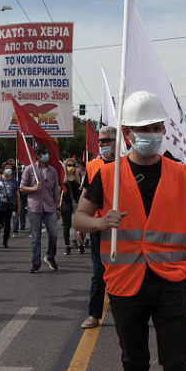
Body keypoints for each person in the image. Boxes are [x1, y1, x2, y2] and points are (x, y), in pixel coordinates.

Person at [74, 90, 186, 371]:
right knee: (135, 363)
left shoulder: (180, 173)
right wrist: (99, 222)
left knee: (177, 362)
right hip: (126, 283)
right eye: (145, 128)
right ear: (128, 134)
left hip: (170, 281)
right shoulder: (106, 175)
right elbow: (79, 218)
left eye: (157, 127)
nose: (153, 133)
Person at [79, 126, 117, 328]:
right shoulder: (93, 167)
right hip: (98, 227)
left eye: (106, 141)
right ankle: (94, 314)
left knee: (122, 272)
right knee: (99, 272)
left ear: (116, 142)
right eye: (99, 141)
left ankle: (127, 314)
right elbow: (85, 195)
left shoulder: (125, 166)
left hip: (122, 228)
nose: (101, 144)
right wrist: (81, 220)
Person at [20, 143, 61, 273]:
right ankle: (36, 262)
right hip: (34, 207)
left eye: (47, 153)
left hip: (49, 206)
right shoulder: (29, 169)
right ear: (38, 155)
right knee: (36, 237)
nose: (47, 155)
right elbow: (22, 188)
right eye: (44, 153)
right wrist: (33, 188)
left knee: (54, 234)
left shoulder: (52, 170)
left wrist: (57, 205)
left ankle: (50, 256)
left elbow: (55, 189)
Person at [0, 159, 20, 248]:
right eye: (7, 168)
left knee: (7, 224)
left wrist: (18, 207)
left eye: (10, 168)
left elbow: (17, 195)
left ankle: (5, 241)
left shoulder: (14, 182)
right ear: (3, 170)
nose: (8, 170)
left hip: (9, 206)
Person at [60, 159, 83, 254]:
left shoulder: (78, 177)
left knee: (79, 225)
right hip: (66, 202)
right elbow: (60, 191)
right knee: (66, 225)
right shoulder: (63, 177)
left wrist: (81, 189)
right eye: (69, 165)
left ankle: (81, 244)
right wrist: (58, 204)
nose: (71, 167)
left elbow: (82, 191)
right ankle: (67, 246)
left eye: (73, 165)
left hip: (77, 203)